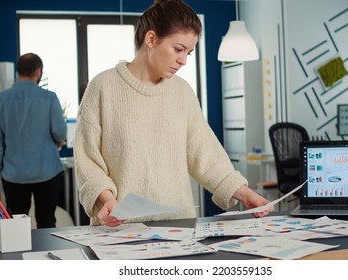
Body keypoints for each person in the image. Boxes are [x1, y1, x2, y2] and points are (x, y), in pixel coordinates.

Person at [74, 0, 272, 227]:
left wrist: (246, 194)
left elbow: (205, 154)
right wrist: (107, 199)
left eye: (188, 52)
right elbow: (87, 159)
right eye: (178, 49)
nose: (184, 60)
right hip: (120, 229)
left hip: (178, 229)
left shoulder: (182, 92)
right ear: (151, 39)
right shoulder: (103, 87)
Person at [0, 53, 67, 228]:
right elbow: (60, 132)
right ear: (38, 71)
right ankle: (46, 255)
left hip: (13, 174)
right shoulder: (50, 98)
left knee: (16, 225)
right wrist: (58, 142)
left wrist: (0, 167)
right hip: (47, 171)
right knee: (46, 221)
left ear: (19, 72)